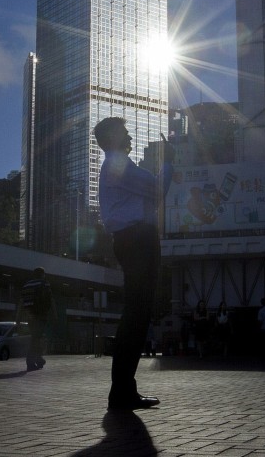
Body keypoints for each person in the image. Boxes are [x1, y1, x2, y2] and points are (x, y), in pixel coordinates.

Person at [94, 116, 173, 411]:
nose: (130, 137)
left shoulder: (117, 166)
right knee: (136, 315)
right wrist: (169, 163)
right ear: (113, 138)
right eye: (125, 133)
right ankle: (122, 391)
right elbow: (156, 189)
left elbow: (149, 198)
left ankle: (124, 389)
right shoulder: (118, 164)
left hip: (133, 238)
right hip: (137, 239)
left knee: (137, 314)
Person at [19, 266, 54, 372]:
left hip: (30, 315)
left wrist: (18, 317)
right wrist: (53, 314)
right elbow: (50, 299)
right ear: (42, 274)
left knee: (37, 337)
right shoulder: (44, 283)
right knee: (36, 338)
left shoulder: (26, 285)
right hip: (40, 315)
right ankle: (31, 361)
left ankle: (39, 359)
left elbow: (21, 302)